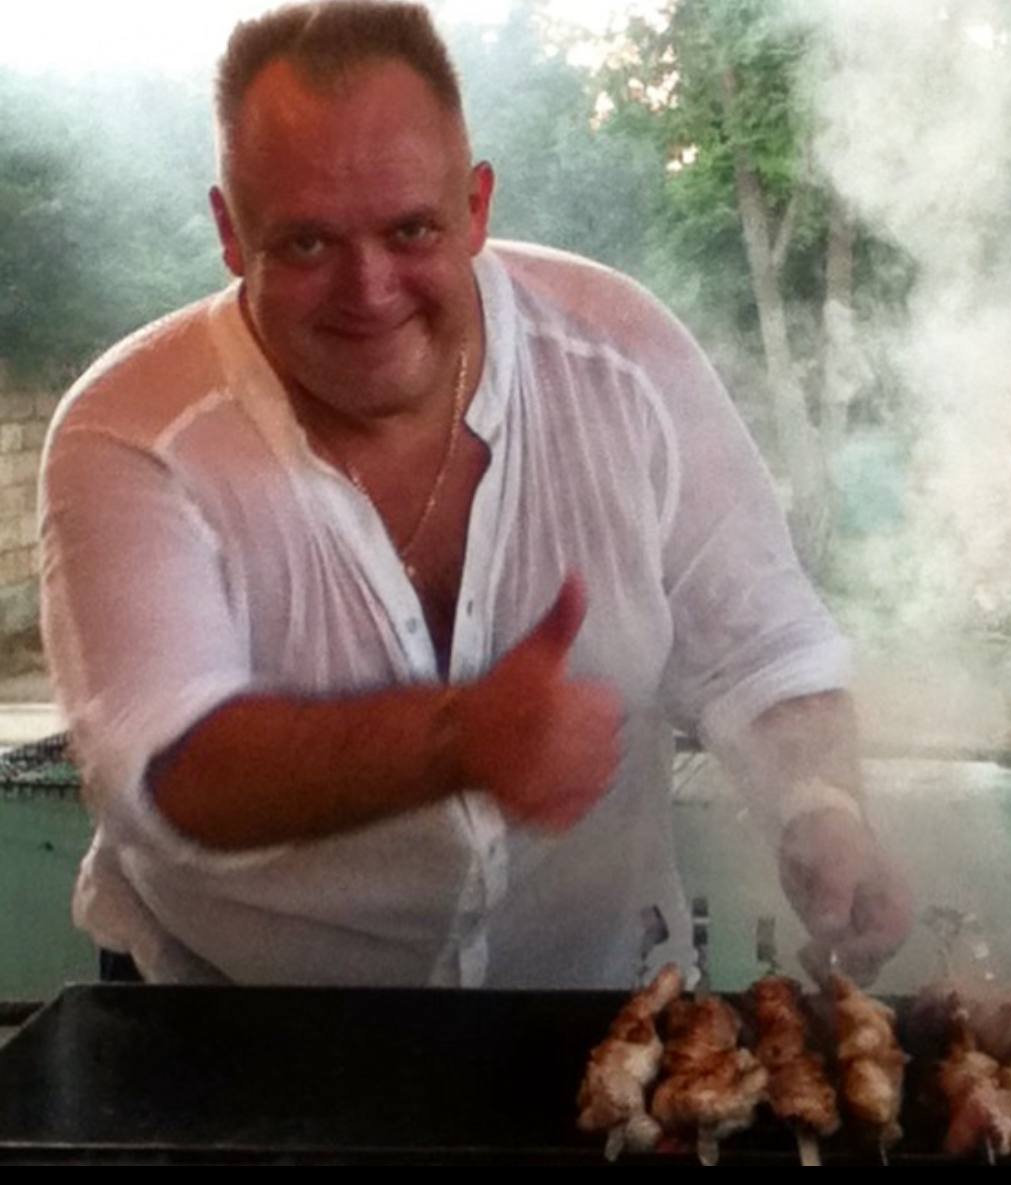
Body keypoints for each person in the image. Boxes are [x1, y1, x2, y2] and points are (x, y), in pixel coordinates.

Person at [39, 0, 911, 989]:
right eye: (308, 244)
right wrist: (454, 738)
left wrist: (820, 806)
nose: (371, 290)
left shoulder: (625, 356)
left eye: (412, 230)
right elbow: (171, 771)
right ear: (232, 235)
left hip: (599, 1014)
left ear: (478, 205)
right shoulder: (128, 432)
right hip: (236, 1018)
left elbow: (762, 646)